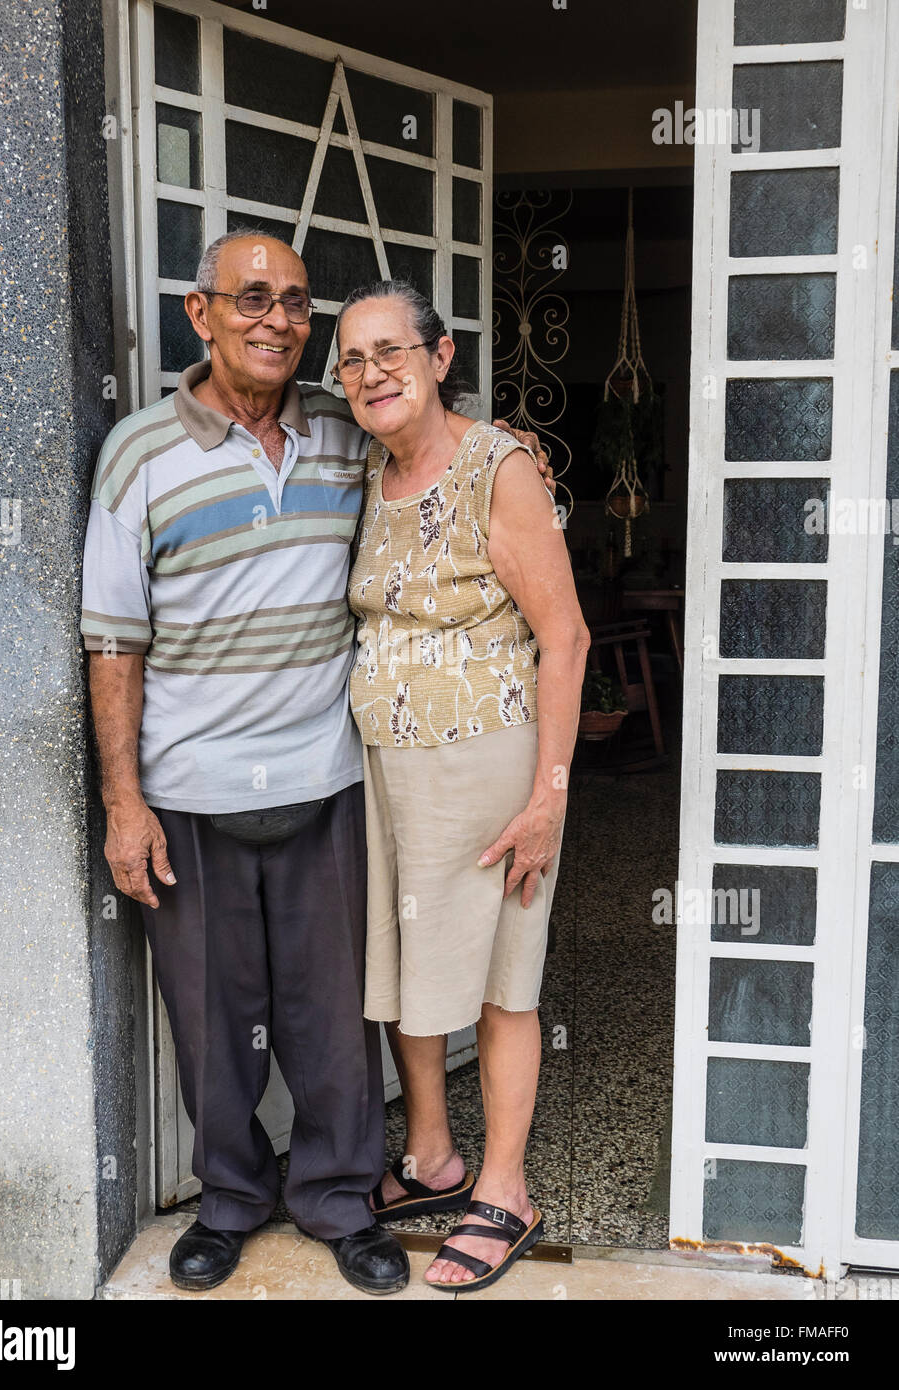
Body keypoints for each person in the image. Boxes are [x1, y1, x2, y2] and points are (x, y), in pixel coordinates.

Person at [80, 230, 549, 1296]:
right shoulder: (138, 452)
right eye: (250, 298)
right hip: (187, 794)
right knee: (210, 1020)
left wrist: (498, 452)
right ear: (199, 314)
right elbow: (113, 638)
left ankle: (342, 1198)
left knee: (337, 1023)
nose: (276, 319)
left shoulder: (346, 434)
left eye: (295, 302)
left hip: (332, 786)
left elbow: (441, 467)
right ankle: (234, 1201)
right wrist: (122, 802)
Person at [336, 280, 591, 1292]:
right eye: (353, 358)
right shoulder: (368, 472)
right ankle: (433, 1157)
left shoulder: (499, 466)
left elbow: (565, 637)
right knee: (407, 974)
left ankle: (504, 1188)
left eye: (393, 349)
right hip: (387, 769)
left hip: (490, 768)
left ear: (440, 358)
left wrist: (551, 794)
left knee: (498, 982)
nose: (373, 372)